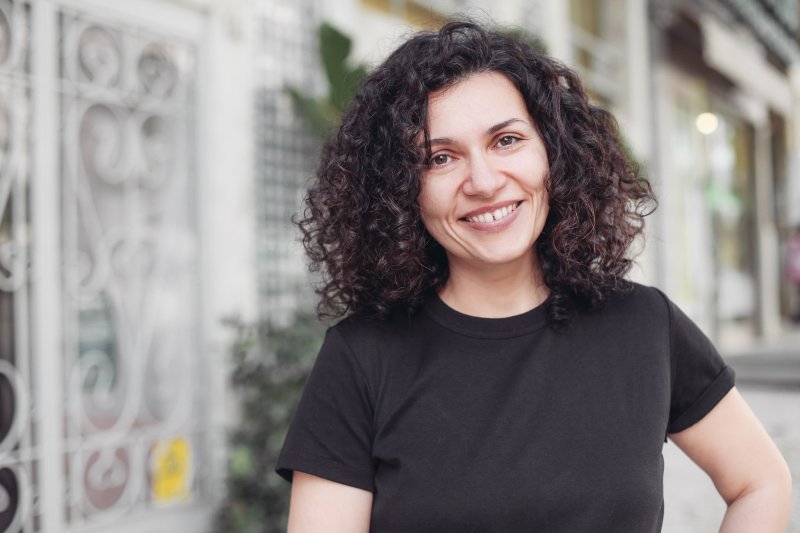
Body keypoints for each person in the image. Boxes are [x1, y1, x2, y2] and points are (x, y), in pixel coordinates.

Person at [276, 21, 791, 532]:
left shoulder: (645, 326)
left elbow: (760, 482)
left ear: (554, 153)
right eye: (440, 157)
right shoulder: (361, 358)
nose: (482, 181)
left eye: (506, 140)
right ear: (400, 189)